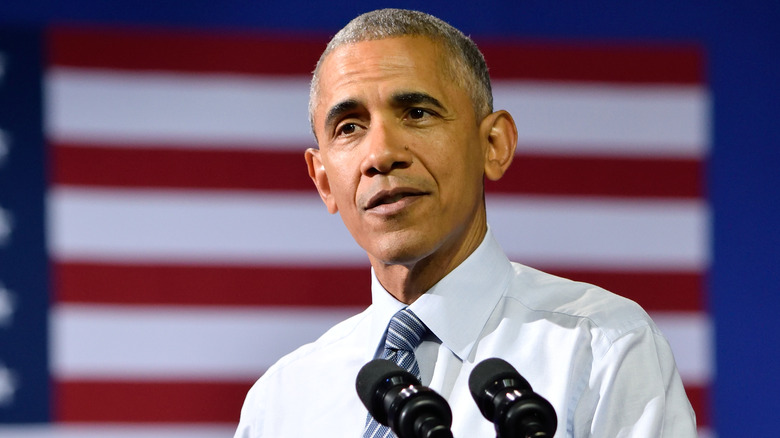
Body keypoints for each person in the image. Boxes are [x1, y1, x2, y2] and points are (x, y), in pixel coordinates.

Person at [234, 8, 697, 437]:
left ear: (494, 144)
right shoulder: (280, 404)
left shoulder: (601, 349)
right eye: (349, 127)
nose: (380, 155)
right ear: (324, 182)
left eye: (417, 113)